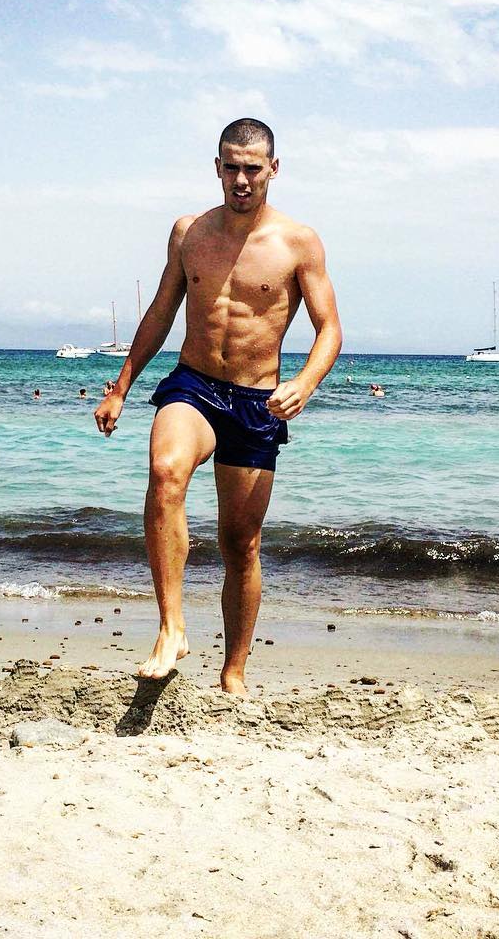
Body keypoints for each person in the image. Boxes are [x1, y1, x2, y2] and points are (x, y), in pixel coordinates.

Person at [94, 119, 342, 695]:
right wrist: (121, 386)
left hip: (258, 402)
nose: (241, 180)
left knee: (240, 544)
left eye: (253, 168)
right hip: (195, 385)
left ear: (273, 169)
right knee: (166, 471)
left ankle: (234, 672)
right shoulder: (190, 232)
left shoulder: (298, 242)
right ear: (217, 167)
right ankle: (171, 628)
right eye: (231, 167)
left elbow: (329, 328)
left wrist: (305, 382)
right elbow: (161, 311)